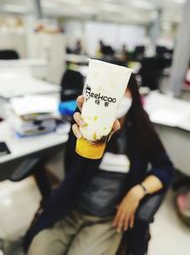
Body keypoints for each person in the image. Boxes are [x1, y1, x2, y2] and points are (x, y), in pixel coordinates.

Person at [25, 74, 174, 255]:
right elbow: (72, 160)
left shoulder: (140, 130)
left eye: (123, 90)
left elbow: (165, 168)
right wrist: (81, 125)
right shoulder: (86, 124)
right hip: (71, 207)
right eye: (111, 91)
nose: (117, 97)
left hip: (106, 219)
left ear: (133, 95)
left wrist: (137, 192)